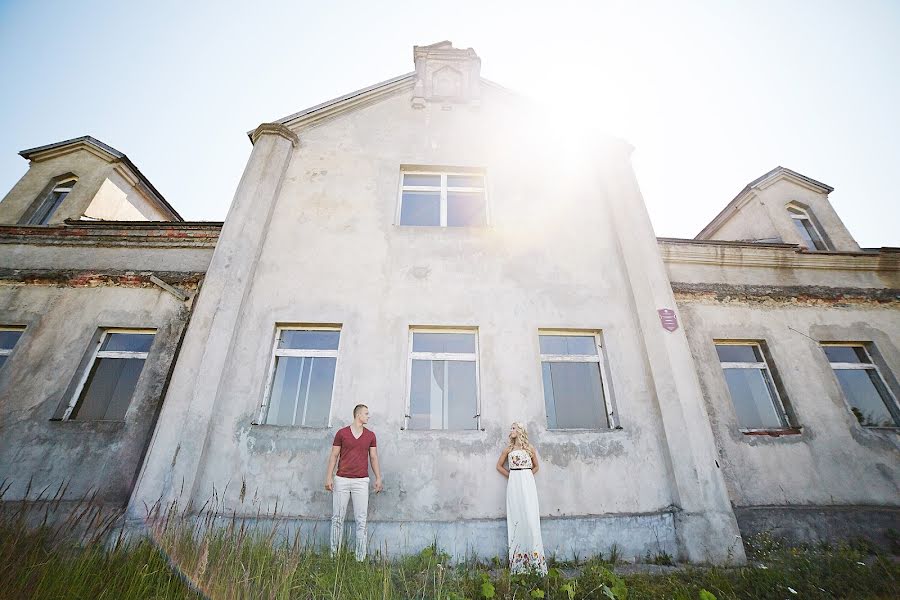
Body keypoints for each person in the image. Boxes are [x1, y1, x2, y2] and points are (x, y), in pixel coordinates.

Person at [325, 404, 383, 561]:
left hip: (361, 482)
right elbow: (334, 455)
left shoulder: (370, 435)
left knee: (361, 520)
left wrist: (378, 477)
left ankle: (360, 559)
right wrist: (328, 477)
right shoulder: (342, 433)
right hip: (341, 480)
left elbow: (373, 457)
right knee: (337, 518)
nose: (368, 416)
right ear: (358, 415)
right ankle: (334, 557)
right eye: (366, 413)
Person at [496, 421, 547, 575]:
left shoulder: (529, 448)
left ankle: (535, 563)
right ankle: (519, 566)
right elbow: (498, 466)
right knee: (516, 518)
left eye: (513, 428)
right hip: (514, 485)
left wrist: (527, 476)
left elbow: (536, 466)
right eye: (511, 427)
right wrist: (512, 476)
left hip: (528, 485)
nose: (511, 430)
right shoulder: (508, 449)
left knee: (530, 518)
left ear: (519, 431)